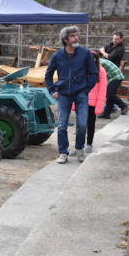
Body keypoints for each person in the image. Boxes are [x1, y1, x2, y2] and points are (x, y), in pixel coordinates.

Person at [45, 26, 98, 164]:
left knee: (81, 124)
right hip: (63, 95)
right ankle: (63, 153)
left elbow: (94, 73)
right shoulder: (57, 56)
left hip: (81, 94)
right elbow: (48, 75)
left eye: (76, 35)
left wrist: (86, 89)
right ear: (65, 40)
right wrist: (52, 90)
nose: (76, 38)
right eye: (73, 36)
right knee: (62, 125)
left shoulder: (85, 53)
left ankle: (79, 148)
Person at [70, 51, 107, 155]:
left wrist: (99, 106)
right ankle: (78, 146)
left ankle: (89, 143)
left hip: (92, 103)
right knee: (80, 125)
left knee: (90, 123)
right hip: (82, 100)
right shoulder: (82, 69)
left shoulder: (101, 71)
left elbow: (102, 90)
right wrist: (74, 103)